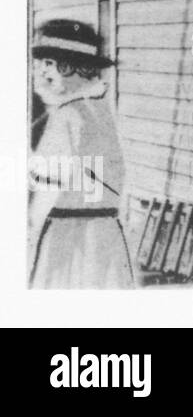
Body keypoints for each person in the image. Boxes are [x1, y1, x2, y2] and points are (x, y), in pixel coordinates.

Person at [29, 20, 134, 289]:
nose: (40, 72)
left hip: (70, 231)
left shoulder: (67, 115)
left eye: (48, 64)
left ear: (72, 68)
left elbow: (44, 178)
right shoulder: (100, 110)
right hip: (104, 229)